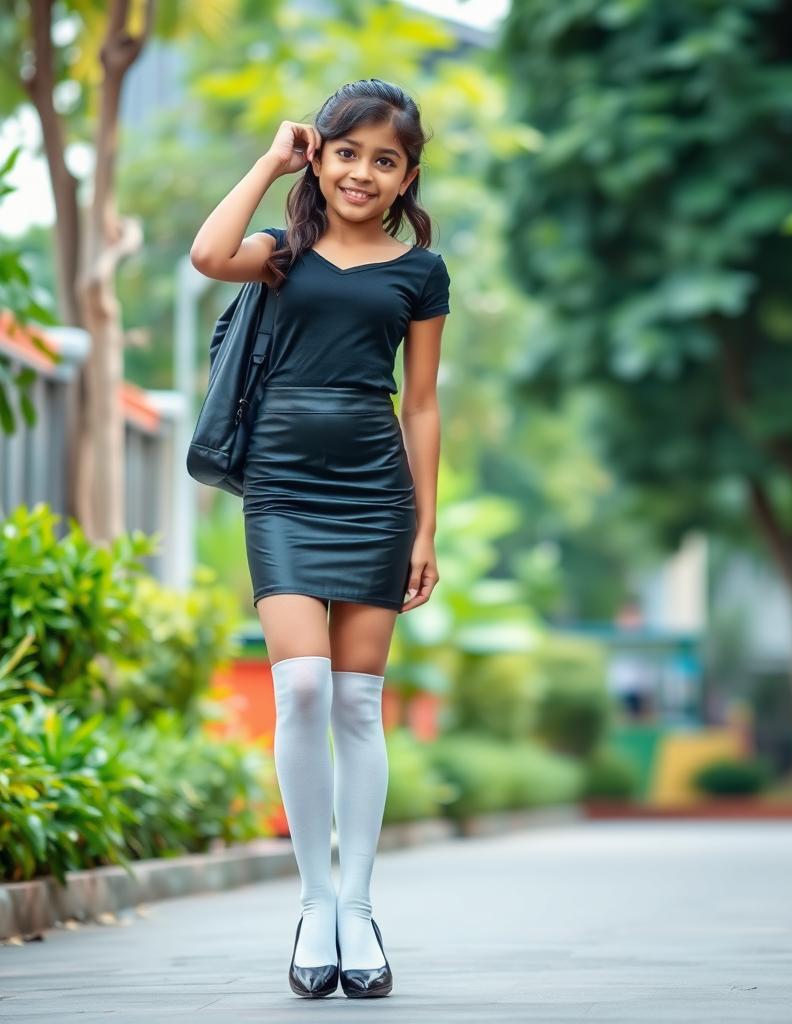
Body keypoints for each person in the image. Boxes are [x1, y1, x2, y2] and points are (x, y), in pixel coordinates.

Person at [189, 79, 450, 1000]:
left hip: (376, 492)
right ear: (321, 157)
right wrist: (270, 159)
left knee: (353, 703)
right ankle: (313, 903)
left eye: (386, 160)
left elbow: (419, 403)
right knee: (298, 688)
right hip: (282, 489)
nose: (363, 172)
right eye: (347, 152)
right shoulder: (280, 253)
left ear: (407, 175)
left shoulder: (421, 272)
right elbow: (206, 252)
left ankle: (362, 907)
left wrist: (425, 525)